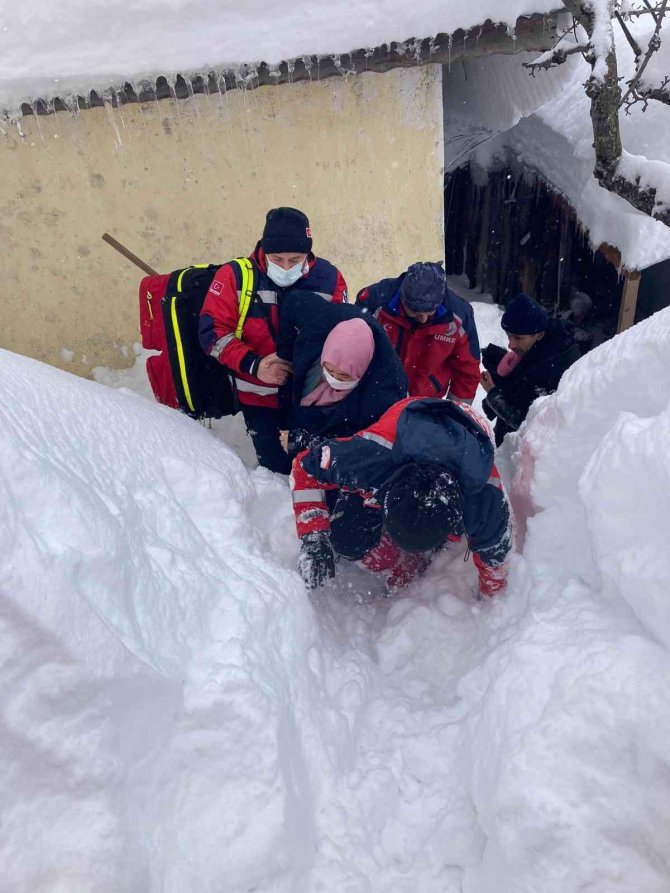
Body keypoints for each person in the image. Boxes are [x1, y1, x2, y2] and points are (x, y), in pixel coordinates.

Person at [290, 397, 512, 598]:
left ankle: (427, 547)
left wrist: (488, 603)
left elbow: (495, 558)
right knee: (347, 535)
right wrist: (314, 537)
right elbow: (305, 468)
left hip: (472, 431)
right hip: (409, 424)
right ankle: (403, 561)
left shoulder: (485, 496)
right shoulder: (369, 458)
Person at [199, 208, 348, 474]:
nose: (286, 267)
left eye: (295, 259)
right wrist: (255, 365)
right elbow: (212, 334)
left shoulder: (329, 278)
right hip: (257, 397)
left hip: (309, 398)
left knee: (311, 469)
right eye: (276, 258)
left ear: (308, 254)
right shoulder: (235, 276)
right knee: (274, 471)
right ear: (263, 250)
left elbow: (343, 335)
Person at [275, 293, 407, 456]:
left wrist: (305, 442)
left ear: (362, 371)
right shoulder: (318, 320)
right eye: (329, 371)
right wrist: (283, 355)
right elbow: (292, 302)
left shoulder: (384, 395)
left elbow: (363, 449)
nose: (333, 380)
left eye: (344, 377)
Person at [356, 261, 480, 403]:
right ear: (402, 298)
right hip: (376, 394)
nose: (423, 319)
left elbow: (467, 372)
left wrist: (454, 415)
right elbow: (352, 350)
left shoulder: (459, 315)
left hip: (426, 401)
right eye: (414, 312)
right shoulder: (374, 301)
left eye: (429, 312)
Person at [480, 293, 581, 446]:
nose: (510, 345)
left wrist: (493, 393)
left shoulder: (553, 366)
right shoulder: (542, 343)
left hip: (528, 455)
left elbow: (525, 423)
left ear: (539, 335)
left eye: (518, 338)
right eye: (509, 336)